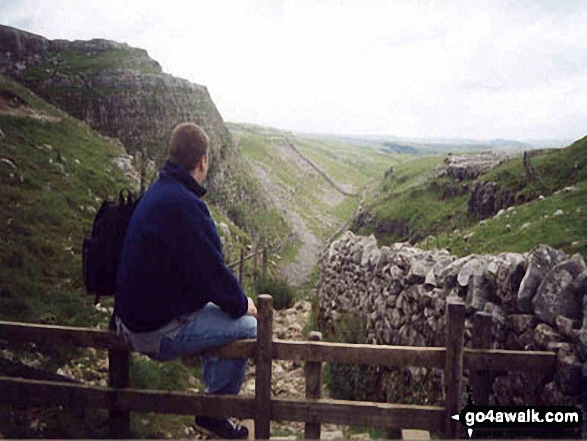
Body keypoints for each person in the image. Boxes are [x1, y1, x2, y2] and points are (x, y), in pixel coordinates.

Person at [114, 122, 257, 439]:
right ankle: (213, 414)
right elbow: (214, 274)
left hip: (128, 318)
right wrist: (244, 304)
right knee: (248, 327)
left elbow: (200, 275)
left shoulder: (159, 191)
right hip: (150, 330)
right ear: (202, 161)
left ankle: (210, 396)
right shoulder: (186, 206)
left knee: (218, 310)